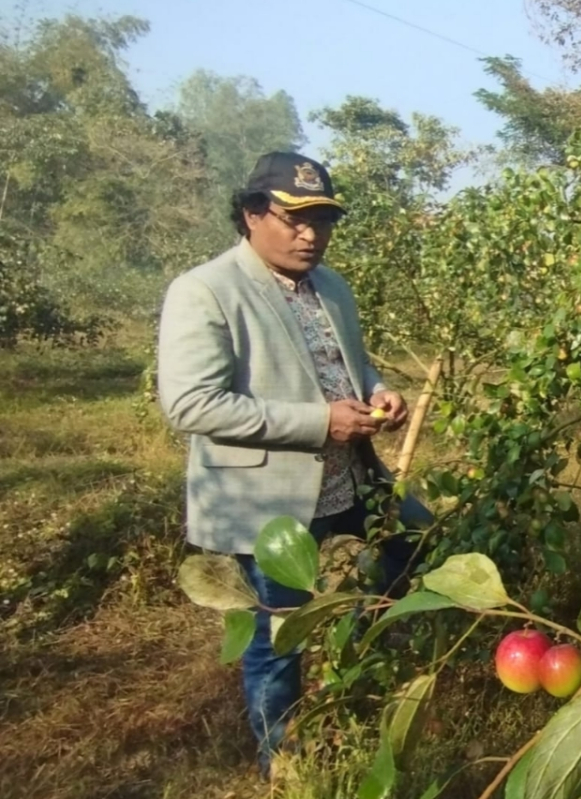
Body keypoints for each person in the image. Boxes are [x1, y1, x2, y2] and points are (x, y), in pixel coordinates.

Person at [156, 151, 432, 779]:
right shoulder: (206, 290)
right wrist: (319, 421)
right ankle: (285, 766)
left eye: (323, 221)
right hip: (265, 498)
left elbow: (346, 364)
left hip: (350, 480)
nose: (312, 234)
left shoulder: (330, 286)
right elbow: (190, 403)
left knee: (412, 548)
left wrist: (378, 389)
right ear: (253, 214)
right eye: (294, 218)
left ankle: (353, 684)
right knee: (277, 640)